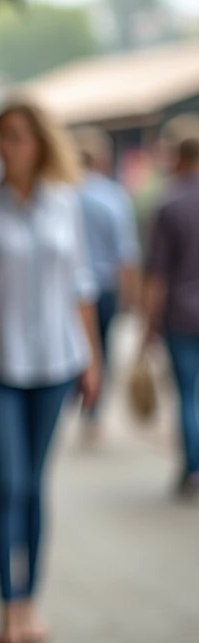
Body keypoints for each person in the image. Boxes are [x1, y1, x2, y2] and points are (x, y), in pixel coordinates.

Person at [0, 101, 102, 643]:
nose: (5, 147)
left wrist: (93, 360)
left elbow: (81, 286)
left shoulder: (66, 204)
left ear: (39, 142)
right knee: (8, 484)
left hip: (57, 365)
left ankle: (31, 602)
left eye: (15, 136)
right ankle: (8, 608)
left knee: (35, 487)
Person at [74, 126, 140, 444]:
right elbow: (125, 253)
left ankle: (79, 399)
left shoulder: (63, 194)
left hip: (71, 292)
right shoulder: (113, 196)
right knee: (101, 349)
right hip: (105, 287)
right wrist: (129, 294)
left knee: (76, 348)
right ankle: (93, 411)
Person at [142, 137, 199, 498]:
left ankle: (193, 468)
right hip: (182, 313)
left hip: (181, 314)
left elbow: (157, 274)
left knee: (186, 395)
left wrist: (148, 324)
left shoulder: (169, 204)